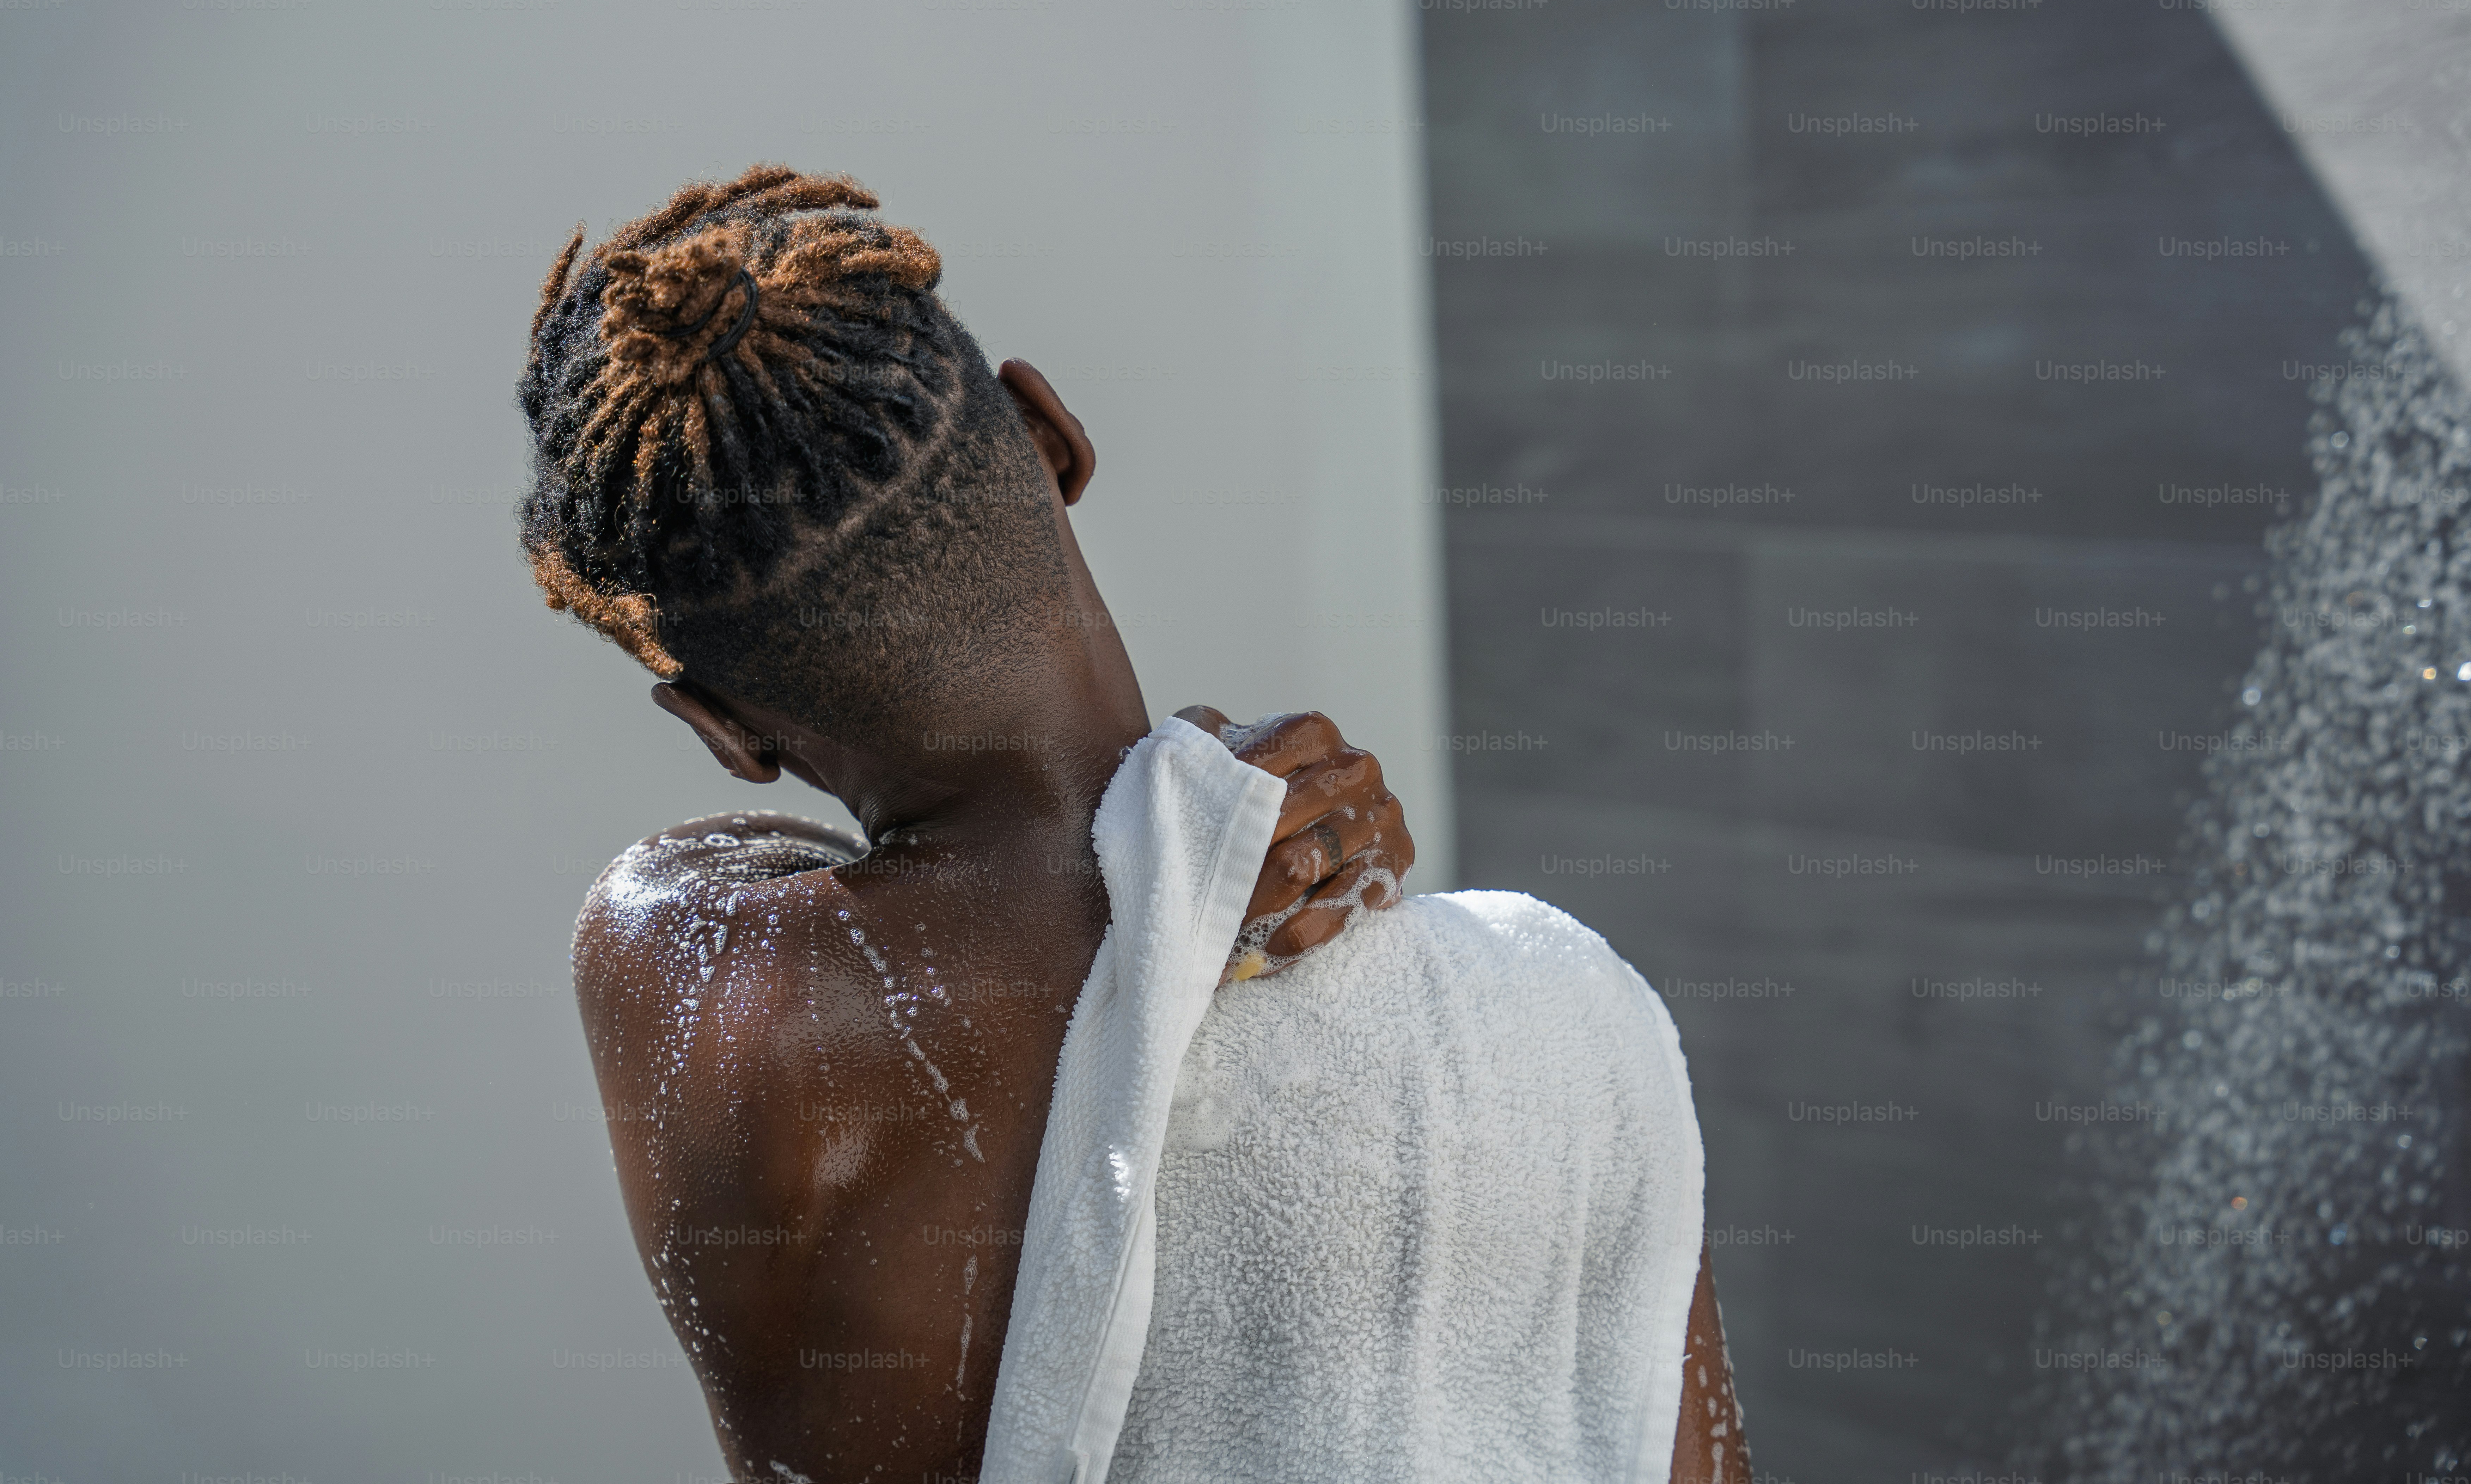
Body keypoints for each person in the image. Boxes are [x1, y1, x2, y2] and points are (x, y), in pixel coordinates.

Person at [516, 165, 1747, 1482]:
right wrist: (1200, 828)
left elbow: (800, 880)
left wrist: (1193, 830)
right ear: (1053, 437)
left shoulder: (679, 985)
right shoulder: (1545, 1026)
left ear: (720, 725)